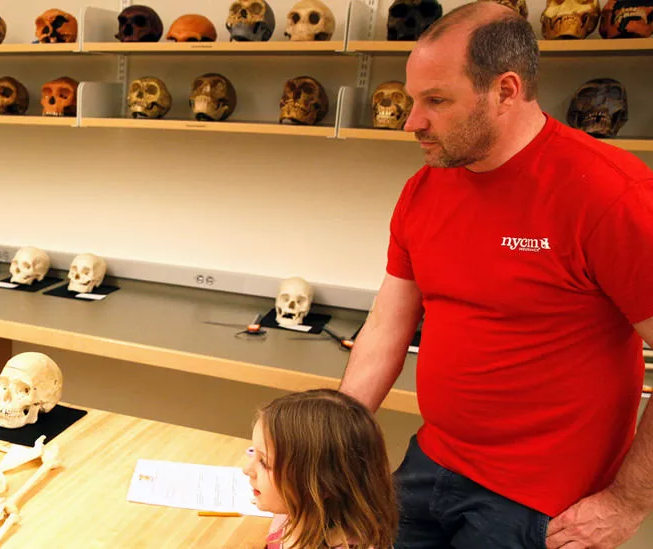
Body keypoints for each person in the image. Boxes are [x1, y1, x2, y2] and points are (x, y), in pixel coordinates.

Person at [338, 3, 653, 547]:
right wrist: (329, 437)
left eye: (436, 101)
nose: (413, 121)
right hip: (431, 463)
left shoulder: (609, 194)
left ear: (506, 91)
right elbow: (387, 328)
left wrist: (627, 503)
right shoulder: (426, 188)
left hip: (538, 502)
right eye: (413, 99)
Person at [243, 389, 397, 549]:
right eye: (252, 451)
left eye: (264, 463)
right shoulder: (291, 514)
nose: (246, 469)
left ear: (322, 484)